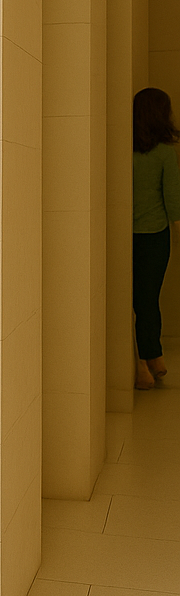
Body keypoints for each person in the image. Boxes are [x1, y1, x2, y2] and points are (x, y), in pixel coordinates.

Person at [132, 87, 180, 390]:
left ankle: (146, 362)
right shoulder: (165, 152)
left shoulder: (124, 150)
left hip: (125, 239)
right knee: (149, 301)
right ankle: (150, 359)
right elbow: (173, 200)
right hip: (155, 237)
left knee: (134, 302)